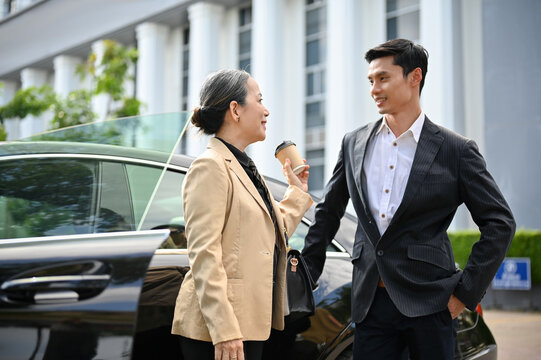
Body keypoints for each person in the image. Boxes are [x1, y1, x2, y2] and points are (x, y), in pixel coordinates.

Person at [302, 38, 516, 360]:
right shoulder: (353, 143)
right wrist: (305, 275)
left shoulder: (456, 150)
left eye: (383, 78)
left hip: (431, 303)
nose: (374, 88)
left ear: (415, 77)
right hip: (370, 302)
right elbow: (328, 214)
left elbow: (500, 223)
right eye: (371, 80)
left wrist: (464, 294)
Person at [171, 69, 313, 360]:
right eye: (259, 100)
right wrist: (224, 330)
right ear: (235, 109)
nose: (266, 110)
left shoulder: (245, 168)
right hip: (218, 330)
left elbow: (269, 232)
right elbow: (203, 254)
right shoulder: (210, 166)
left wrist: (296, 192)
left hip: (248, 323)